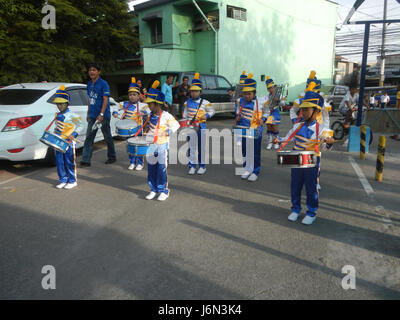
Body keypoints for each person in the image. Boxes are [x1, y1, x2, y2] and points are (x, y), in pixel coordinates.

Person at [274, 83, 335, 225]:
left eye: (306, 110)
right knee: (295, 185)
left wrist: (329, 143)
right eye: (302, 110)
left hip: (311, 160)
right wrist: (279, 140)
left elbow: (325, 148)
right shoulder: (297, 125)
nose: (303, 112)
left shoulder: (323, 130)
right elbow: (288, 137)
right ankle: (295, 209)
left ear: (316, 111)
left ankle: (311, 212)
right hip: (296, 158)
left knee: (311, 187)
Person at [143, 80, 180, 201]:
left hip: (163, 146)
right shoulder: (150, 115)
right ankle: (153, 189)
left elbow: (176, 125)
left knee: (161, 168)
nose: (148, 106)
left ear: (157, 104)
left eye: (150, 104)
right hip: (152, 145)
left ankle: (164, 190)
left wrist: (167, 132)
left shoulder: (166, 115)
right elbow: (149, 126)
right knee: (151, 168)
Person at [81, 62, 116, 166]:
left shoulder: (103, 84)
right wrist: (88, 112)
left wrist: (101, 114)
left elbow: (106, 99)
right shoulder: (88, 84)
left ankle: (112, 156)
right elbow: (89, 99)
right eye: (90, 70)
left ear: (98, 72)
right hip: (92, 116)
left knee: (107, 137)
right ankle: (86, 160)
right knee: (89, 137)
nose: (91, 72)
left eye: (94, 70)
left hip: (103, 116)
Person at [234, 74, 267, 182]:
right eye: (245, 93)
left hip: (255, 130)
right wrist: (238, 116)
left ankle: (255, 171)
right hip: (243, 129)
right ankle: (247, 169)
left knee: (255, 151)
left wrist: (264, 119)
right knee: (245, 150)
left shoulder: (261, 101)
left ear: (254, 93)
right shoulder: (240, 101)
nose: (247, 96)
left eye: (249, 94)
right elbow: (238, 110)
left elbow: (268, 111)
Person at [113, 77, 150, 171]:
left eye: (134, 95)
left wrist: (144, 113)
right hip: (129, 130)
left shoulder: (142, 105)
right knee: (130, 147)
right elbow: (116, 106)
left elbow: (150, 110)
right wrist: (115, 112)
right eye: (130, 94)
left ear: (138, 96)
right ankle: (132, 162)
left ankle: (140, 163)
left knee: (138, 147)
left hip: (138, 130)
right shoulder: (125, 104)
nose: (132, 96)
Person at [183, 73, 215, 175]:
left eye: (196, 91)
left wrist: (207, 116)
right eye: (192, 91)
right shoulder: (186, 102)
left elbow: (212, 111)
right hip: (190, 128)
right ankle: (192, 166)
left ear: (200, 92)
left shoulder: (205, 102)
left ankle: (202, 166)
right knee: (191, 147)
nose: (194, 93)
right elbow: (185, 114)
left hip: (201, 127)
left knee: (201, 147)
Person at [52, 85, 83, 189]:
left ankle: (72, 180)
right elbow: (57, 126)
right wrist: (55, 132)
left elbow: (81, 125)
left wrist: (73, 134)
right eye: (58, 104)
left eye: (62, 103)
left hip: (69, 142)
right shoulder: (57, 115)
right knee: (59, 161)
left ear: (67, 103)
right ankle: (63, 179)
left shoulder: (73, 115)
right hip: (58, 141)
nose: (59, 106)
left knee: (69, 161)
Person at [260, 76, 285, 150]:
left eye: (272, 88)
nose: (270, 89)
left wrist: (278, 100)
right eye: (269, 88)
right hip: (268, 113)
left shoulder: (279, 95)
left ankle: (276, 142)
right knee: (269, 128)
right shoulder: (266, 96)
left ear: (274, 87)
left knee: (275, 128)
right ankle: (270, 143)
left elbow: (283, 104)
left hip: (275, 113)